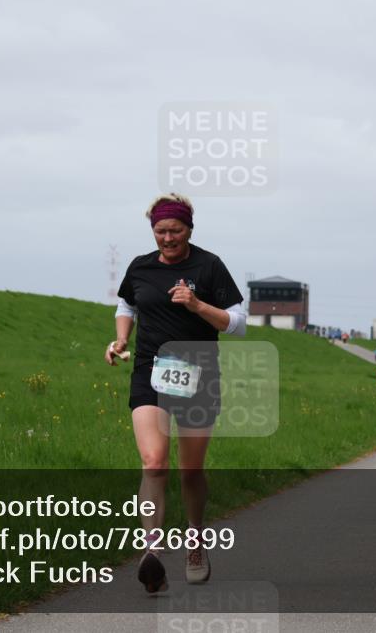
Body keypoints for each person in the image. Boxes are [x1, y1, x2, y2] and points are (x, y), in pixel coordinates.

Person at [107, 193, 246, 594]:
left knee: (190, 471)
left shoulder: (209, 266)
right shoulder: (140, 267)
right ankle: (151, 552)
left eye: (175, 231)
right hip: (150, 370)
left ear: (189, 229)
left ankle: (196, 540)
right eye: (160, 231)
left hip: (199, 374)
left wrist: (197, 304)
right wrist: (119, 340)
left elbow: (238, 323)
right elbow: (126, 305)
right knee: (153, 462)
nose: (167, 239)